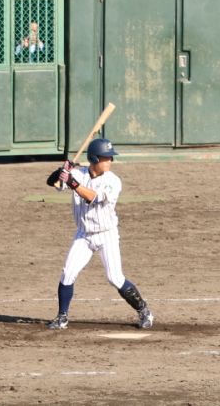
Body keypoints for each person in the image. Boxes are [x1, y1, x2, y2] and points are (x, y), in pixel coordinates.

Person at [43, 137, 154, 330]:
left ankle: (144, 310)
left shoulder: (113, 181)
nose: (110, 161)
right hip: (83, 235)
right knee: (67, 273)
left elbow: (92, 197)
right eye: (106, 157)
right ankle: (62, 317)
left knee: (115, 278)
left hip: (106, 235)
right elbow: (51, 183)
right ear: (95, 158)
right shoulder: (78, 173)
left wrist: (71, 181)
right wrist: (62, 170)